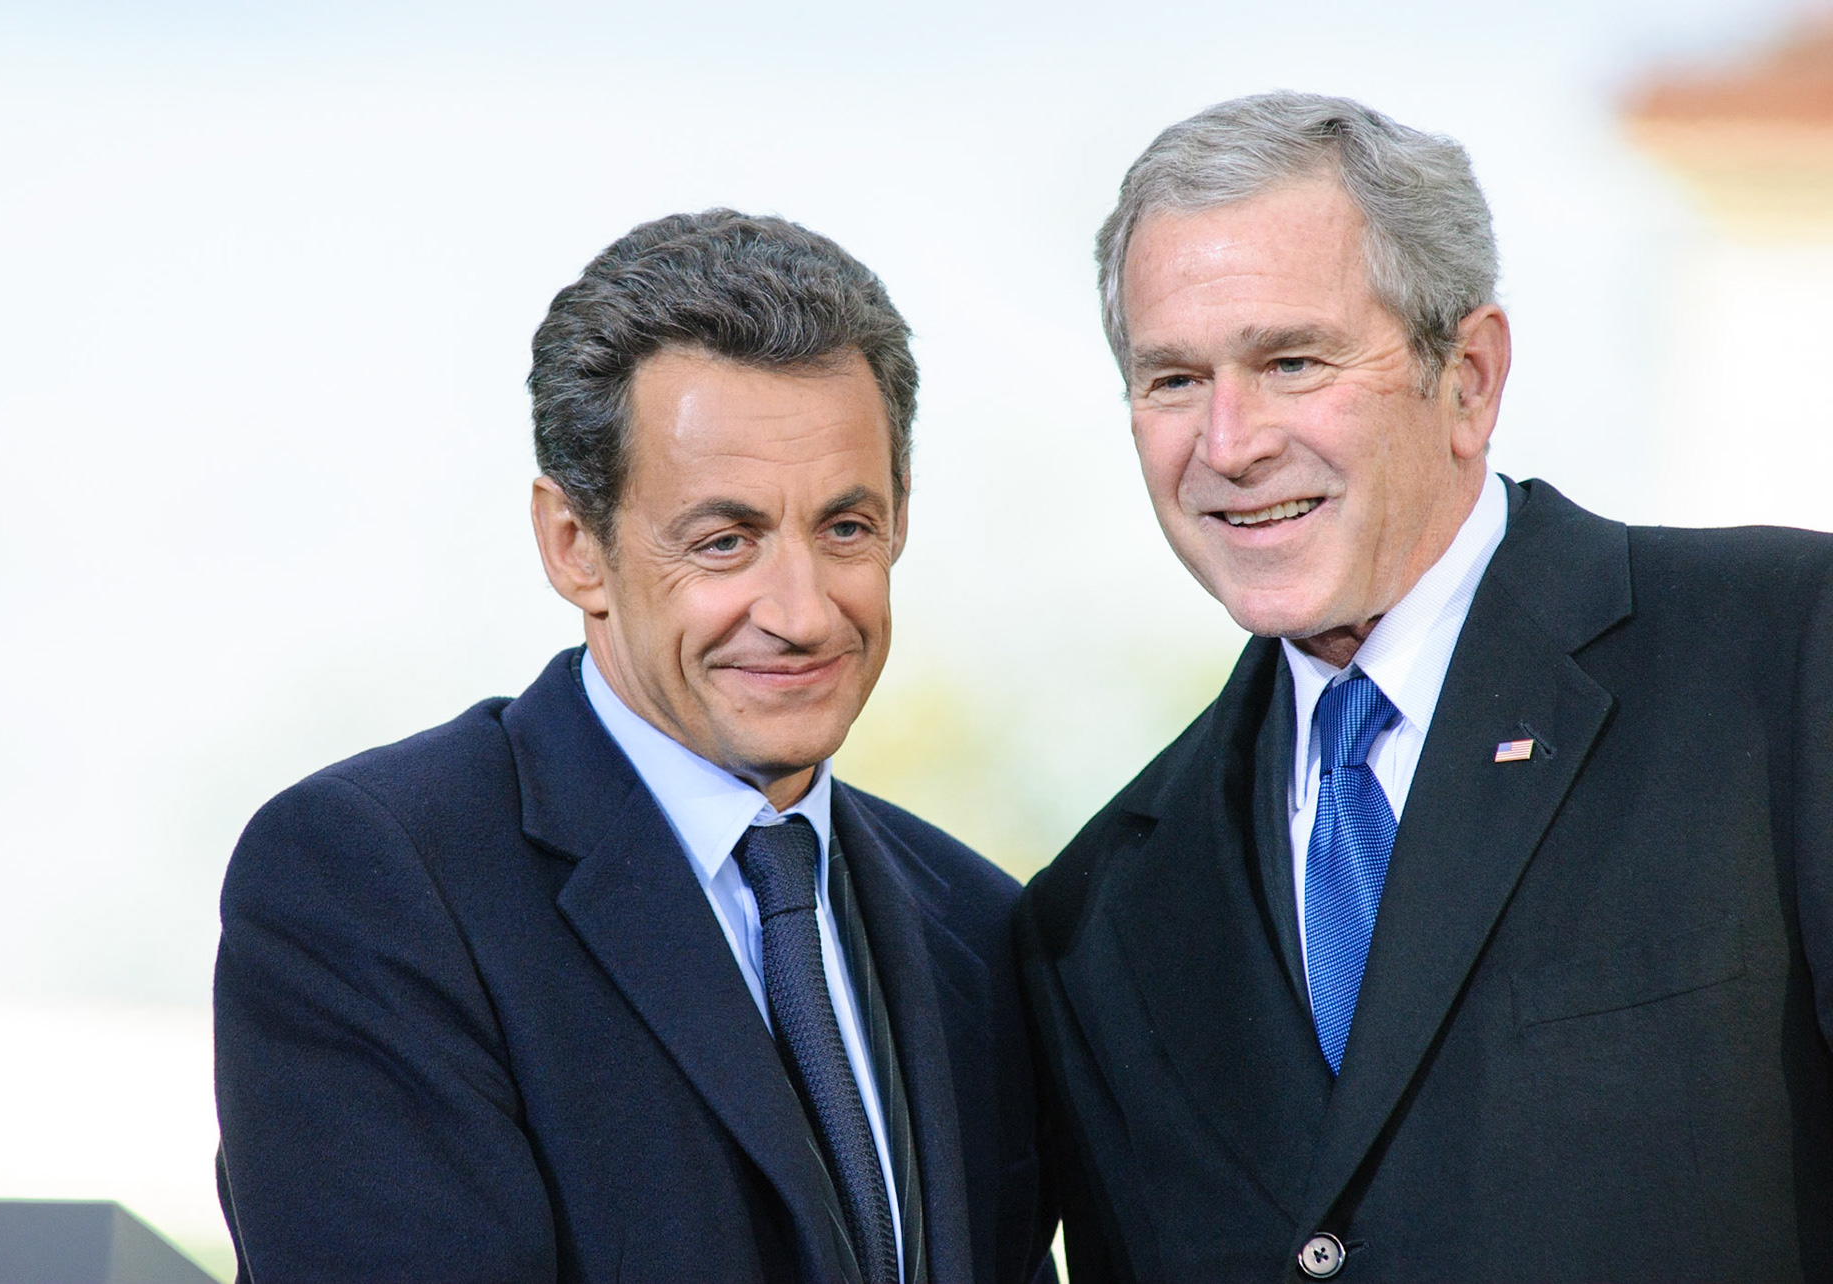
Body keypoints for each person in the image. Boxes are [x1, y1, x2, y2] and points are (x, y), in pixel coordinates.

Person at [1017, 92, 1833, 1282]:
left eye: (1292, 361)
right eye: (1175, 380)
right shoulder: (1093, 913)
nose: (1230, 443)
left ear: (1470, 377)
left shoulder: (1784, 657)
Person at [216, 209, 1054, 1284]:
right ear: (574, 545)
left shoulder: (976, 926)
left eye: (846, 529)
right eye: (724, 541)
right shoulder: (375, 884)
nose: (802, 612)